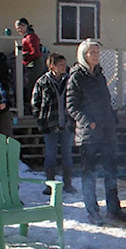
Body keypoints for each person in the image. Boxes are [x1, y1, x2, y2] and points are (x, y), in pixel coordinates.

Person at [66, 38, 126, 225]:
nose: (96, 56)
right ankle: (92, 210)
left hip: (107, 131)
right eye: (92, 53)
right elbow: (72, 106)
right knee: (89, 174)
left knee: (111, 171)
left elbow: (105, 101)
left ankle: (113, 209)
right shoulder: (77, 76)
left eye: (97, 52)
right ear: (84, 55)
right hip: (89, 135)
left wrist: (112, 117)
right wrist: (89, 122)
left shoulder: (100, 75)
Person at [31, 52, 77, 195]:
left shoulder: (69, 80)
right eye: (61, 65)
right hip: (50, 124)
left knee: (67, 155)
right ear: (52, 66)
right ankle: (49, 184)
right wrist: (40, 119)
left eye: (64, 64)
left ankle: (68, 184)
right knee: (50, 155)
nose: (64, 67)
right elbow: (35, 102)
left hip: (67, 123)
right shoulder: (42, 82)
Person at [16, 18, 43, 107]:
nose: (18, 30)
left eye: (19, 27)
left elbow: (35, 53)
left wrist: (24, 56)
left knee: (32, 85)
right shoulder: (26, 37)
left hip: (35, 63)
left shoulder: (31, 37)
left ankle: (34, 106)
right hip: (29, 63)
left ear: (25, 26)